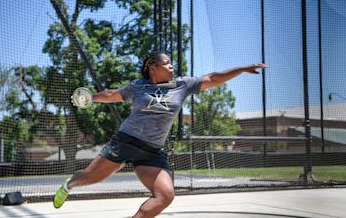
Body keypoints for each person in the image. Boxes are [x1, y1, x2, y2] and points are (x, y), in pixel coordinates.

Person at [53, 52, 267, 217]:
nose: (171, 65)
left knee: (165, 196)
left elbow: (212, 78)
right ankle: (67, 186)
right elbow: (113, 95)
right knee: (89, 177)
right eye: (166, 63)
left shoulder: (182, 85)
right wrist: (91, 97)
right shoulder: (139, 86)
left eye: (171, 62)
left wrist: (242, 69)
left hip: (151, 151)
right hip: (126, 141)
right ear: (153, 68)